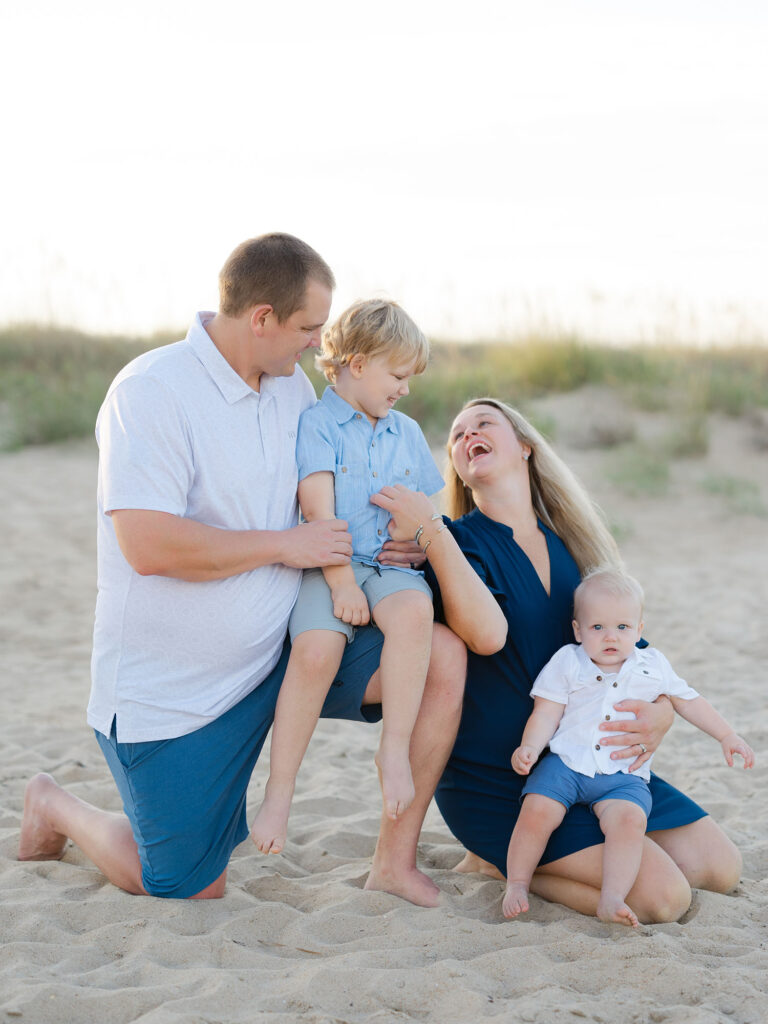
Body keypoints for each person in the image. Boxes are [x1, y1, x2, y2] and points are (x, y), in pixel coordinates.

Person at [16, 236, 505, 907]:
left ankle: (394, 860)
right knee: (186, 887)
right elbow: (148, 545)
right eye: (307, 329)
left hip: (288, 648)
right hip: (182, 696)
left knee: (444, 654)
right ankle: (54, 804)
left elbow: (336, 487)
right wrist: (285, 545)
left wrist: (410, 545)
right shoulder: (152, 391)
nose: (316, 347)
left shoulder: (292, 390)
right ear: (262, 319)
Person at [372, 397, 747, 923]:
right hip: (504, 774)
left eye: (484, 423)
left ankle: (513, 860)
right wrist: (432, 534)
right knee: (663, 898)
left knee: (718, 868)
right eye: (456, 435)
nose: (467, 434)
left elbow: (625, 652)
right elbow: (483, 636)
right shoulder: (453, 545)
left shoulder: (568, 543)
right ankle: (503, 863)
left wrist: (661, 709)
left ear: (525, 447)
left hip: (593, 759)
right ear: (456, 466)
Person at [251, 300, 446, 855]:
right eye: (399, 375)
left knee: (415, 614)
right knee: (314, 651)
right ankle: (280, 791)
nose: (406, 389)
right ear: (357, 364)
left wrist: (416, 543)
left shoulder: (405, 430)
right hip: (332, 560)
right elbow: (317, 508)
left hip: (389, 563)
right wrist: (339, 582)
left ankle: (395, 748)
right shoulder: (317, 424)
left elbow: (424, 506)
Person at [503, 568, 754, 927]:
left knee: (629, 822)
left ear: (639, 631)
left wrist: (727, 735)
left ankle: (612, 897)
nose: (611, 637)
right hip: (567, 764)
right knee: (537, 810)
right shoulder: (568, 662)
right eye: (597, 627)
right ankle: (517, 883)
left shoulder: (653, 666)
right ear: (578, 630)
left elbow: (690, 701)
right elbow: (546, 711)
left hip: (623, 774)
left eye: (622, 627)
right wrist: (529, 747)